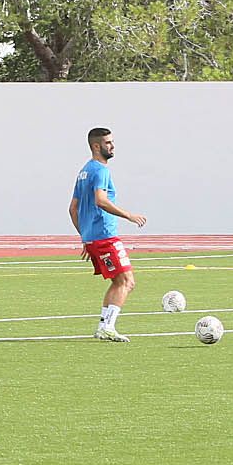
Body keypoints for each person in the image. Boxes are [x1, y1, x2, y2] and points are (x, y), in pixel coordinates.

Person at [69, 126, 147, 342]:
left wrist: (85, 237)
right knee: (126, 282)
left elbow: (73, 209)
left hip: (95, 238)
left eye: (112, 142)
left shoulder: (83, 171)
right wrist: (128, 215)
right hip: (105, 236)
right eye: (108, 143)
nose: (112, 146)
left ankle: (105, 326)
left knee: (118, 281)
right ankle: (107, 327)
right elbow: (101, 200)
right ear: (96, 146)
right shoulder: (101, 171)